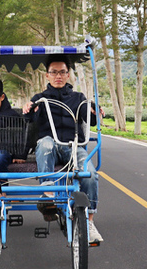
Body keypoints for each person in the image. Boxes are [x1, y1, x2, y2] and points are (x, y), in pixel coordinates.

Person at [23, 54, 103, 244]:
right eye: (54, 72)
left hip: (72, 146)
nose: (58, 76)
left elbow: (90, 119)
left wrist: (96, 112)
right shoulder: (40, 98)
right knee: (45, 143)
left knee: (90, 175)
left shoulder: (78, 98)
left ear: (68, 75)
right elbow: (30, 120)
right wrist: (28, 109)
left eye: (62, 72)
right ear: (47, 76)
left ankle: (89, 221)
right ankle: (48, 193)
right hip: (48, 146)